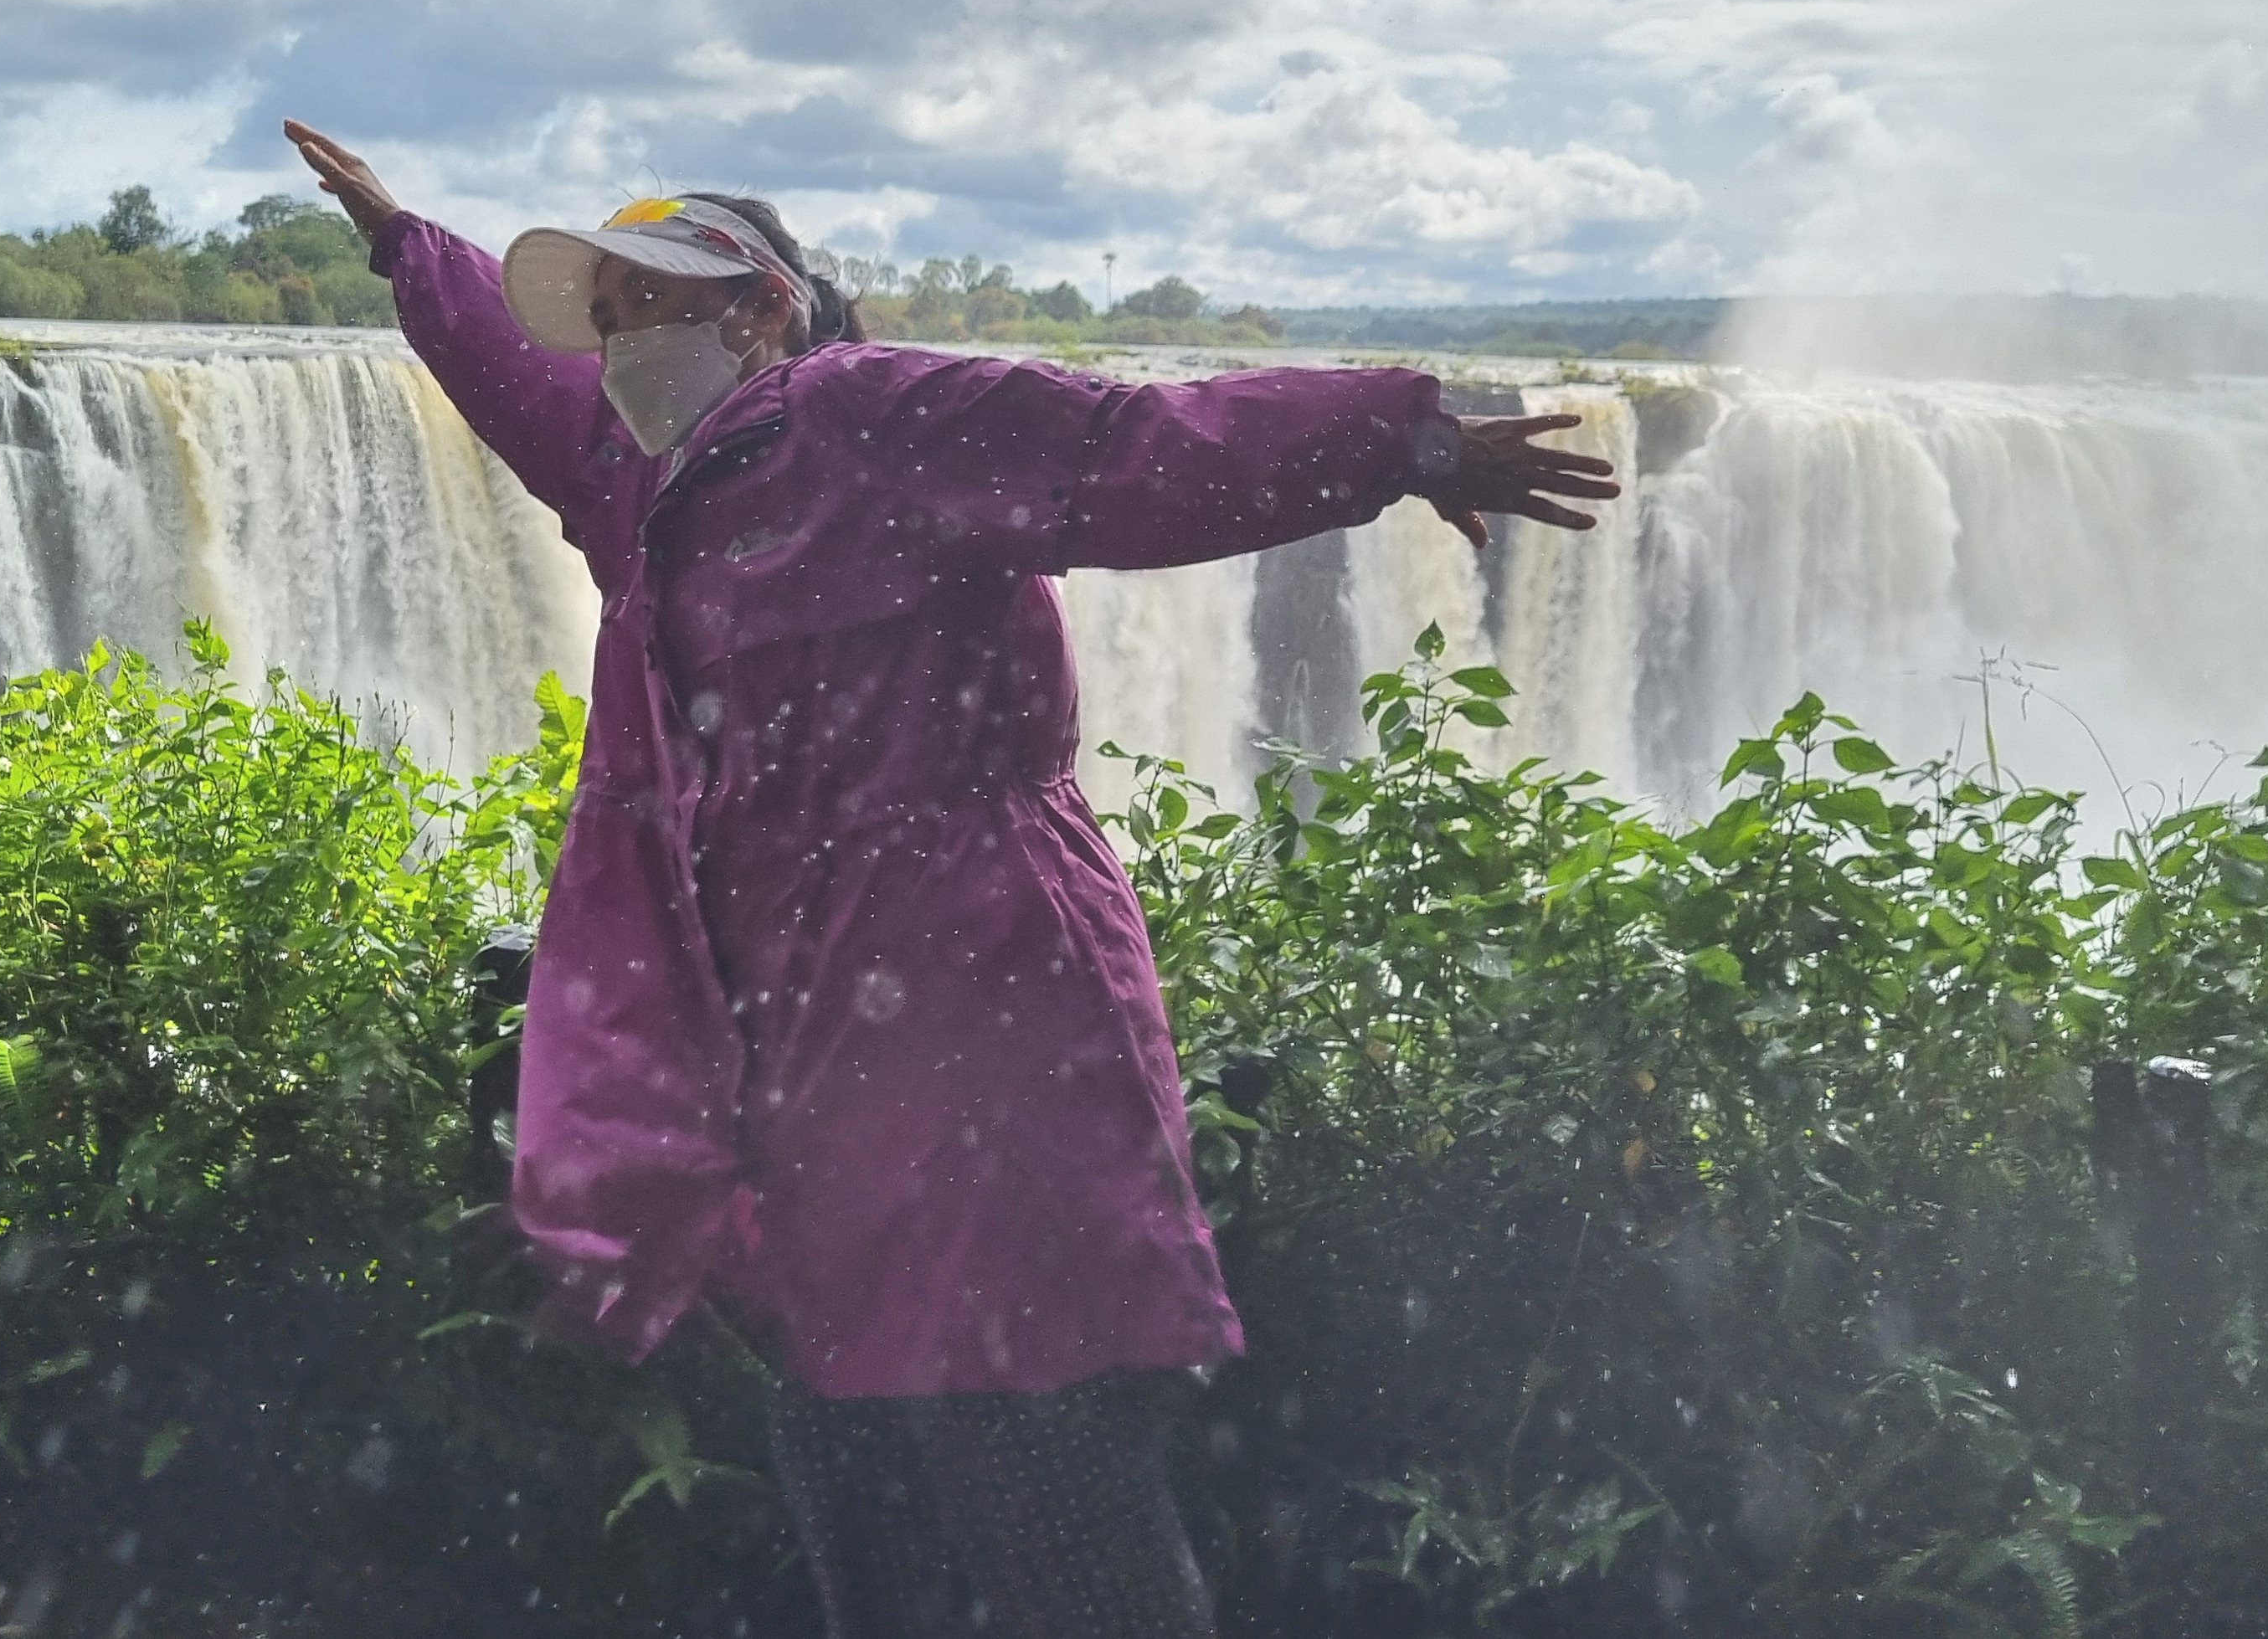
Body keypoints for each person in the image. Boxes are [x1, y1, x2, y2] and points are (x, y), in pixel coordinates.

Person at [284, 119, 1619, 1639]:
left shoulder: (871, 416)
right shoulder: (648, 489)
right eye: (608, 316)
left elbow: (1137, 448)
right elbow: (521, 388)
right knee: (859, 1467)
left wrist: (1399, 441)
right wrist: (405, 247)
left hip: (987, 998)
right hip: (810, 1038)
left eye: (649, 301)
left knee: (1035, 1455)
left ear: (764, 306)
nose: (620, 341)